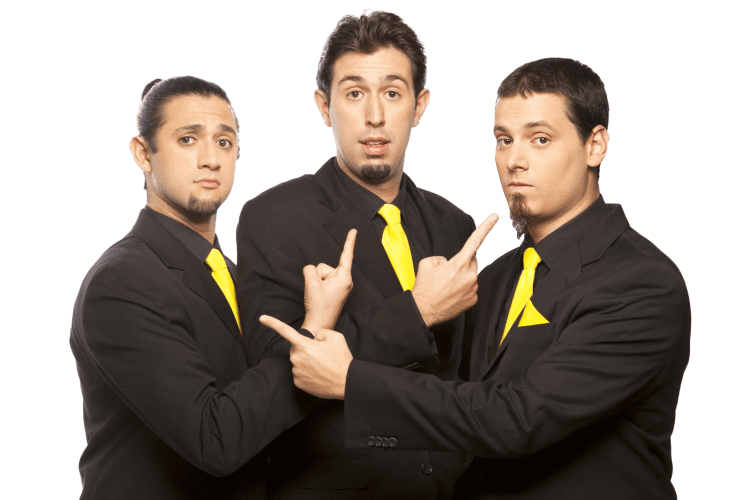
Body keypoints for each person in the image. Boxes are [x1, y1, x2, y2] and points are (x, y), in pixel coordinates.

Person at [263, 57, 692, 499]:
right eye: (504, 140)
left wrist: (351, 380)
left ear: (595, 145)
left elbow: (518, 419)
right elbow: (453, 404)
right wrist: (321, 324)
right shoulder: (495, 277)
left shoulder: (642, 283)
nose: (514, 161)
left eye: (540, 139)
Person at [236, 8, 487, 499]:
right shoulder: (273, 217)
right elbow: (275, 371)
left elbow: (464, 381)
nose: (375, 116)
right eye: (354, 94)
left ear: (420, 105)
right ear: (324, 105)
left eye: (393, 93)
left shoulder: (455, 225)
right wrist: (418, 312)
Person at [69, 75, 355, 499]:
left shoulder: (237, 277)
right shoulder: (121, 283)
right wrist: (311, 332)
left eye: (224, 142)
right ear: (143, 153)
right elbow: (215, 439)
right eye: (187, 139)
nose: (211, 160)